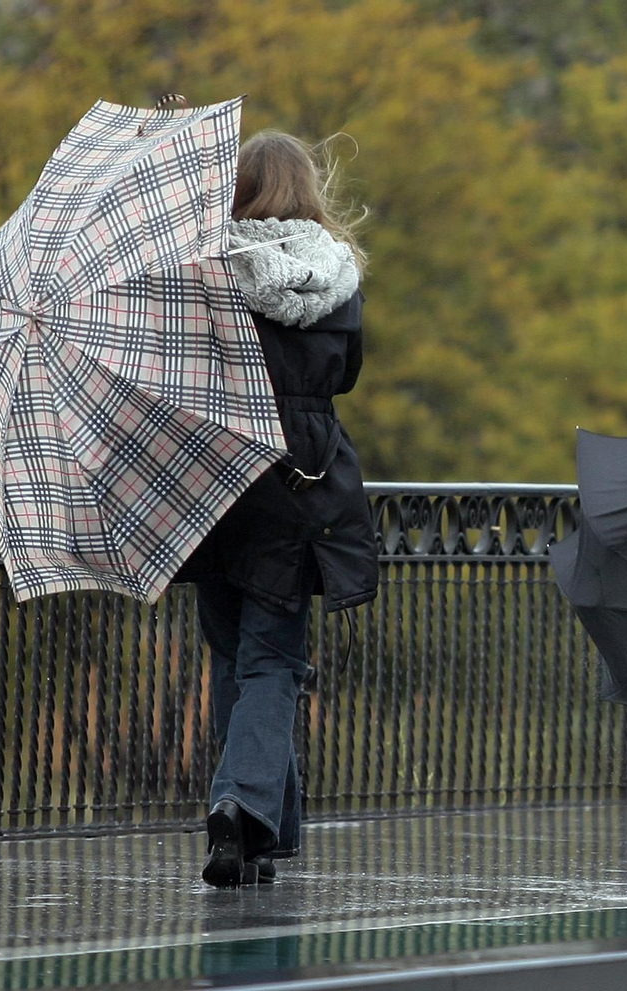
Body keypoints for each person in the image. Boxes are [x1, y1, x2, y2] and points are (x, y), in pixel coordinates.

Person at [174, 129, 377, 887]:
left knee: (237, 654)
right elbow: (346, 375)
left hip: (216, 472)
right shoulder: (337, 275)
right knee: (273, 659)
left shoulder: (208, 267)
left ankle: (253, 826)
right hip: (299, 479)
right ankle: (245, 812)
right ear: (308, 187)